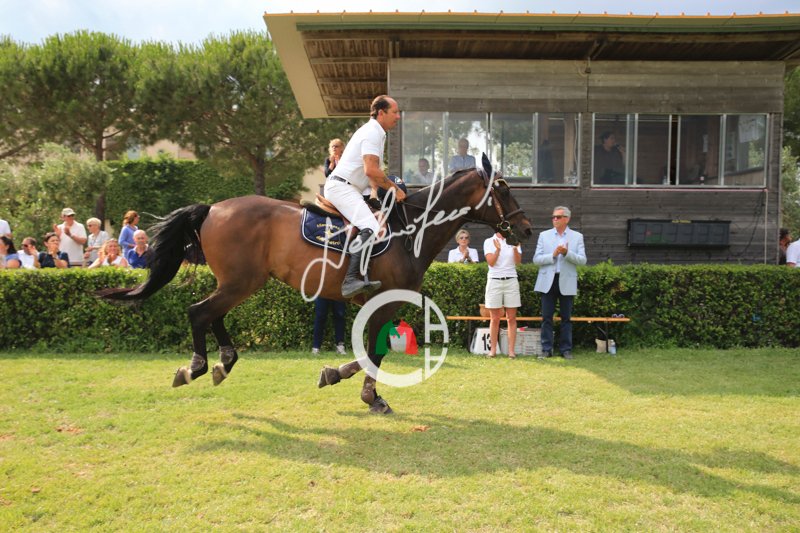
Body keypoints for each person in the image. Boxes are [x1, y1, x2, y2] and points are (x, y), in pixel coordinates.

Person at [323, 94, 406, 298]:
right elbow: (371, 170)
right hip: (342, 188)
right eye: (394, 112)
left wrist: (375, 194)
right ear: (381, 113)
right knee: (371, 226)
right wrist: (395, 189)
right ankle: (350, 280)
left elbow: (370, 174)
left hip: (351, 188)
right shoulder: (372, 132)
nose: (398, 117)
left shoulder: (377, 132)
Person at [533, 206, 587, 359]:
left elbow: (582, 260)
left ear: (567, 219)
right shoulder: (544, 235)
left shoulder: (577, 236)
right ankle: (546, 349)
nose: (555, 219)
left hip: (567, 280)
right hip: (547, 281)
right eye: (553, 217)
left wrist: (567, 253)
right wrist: (554, 254)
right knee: (546, 318)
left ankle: (566, 350)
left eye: (558, 217)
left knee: (566, 318)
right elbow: (536, 259)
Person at [483, 231, 522, 358]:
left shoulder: (514, 239)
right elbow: (491, 262)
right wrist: (498, 250)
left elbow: (518, 262)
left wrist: (515, 248)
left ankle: (511, 352)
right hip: (494, 281)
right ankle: (493, 350)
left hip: (511, 280)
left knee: (511, 318)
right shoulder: (489, 241)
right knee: (494, 318)